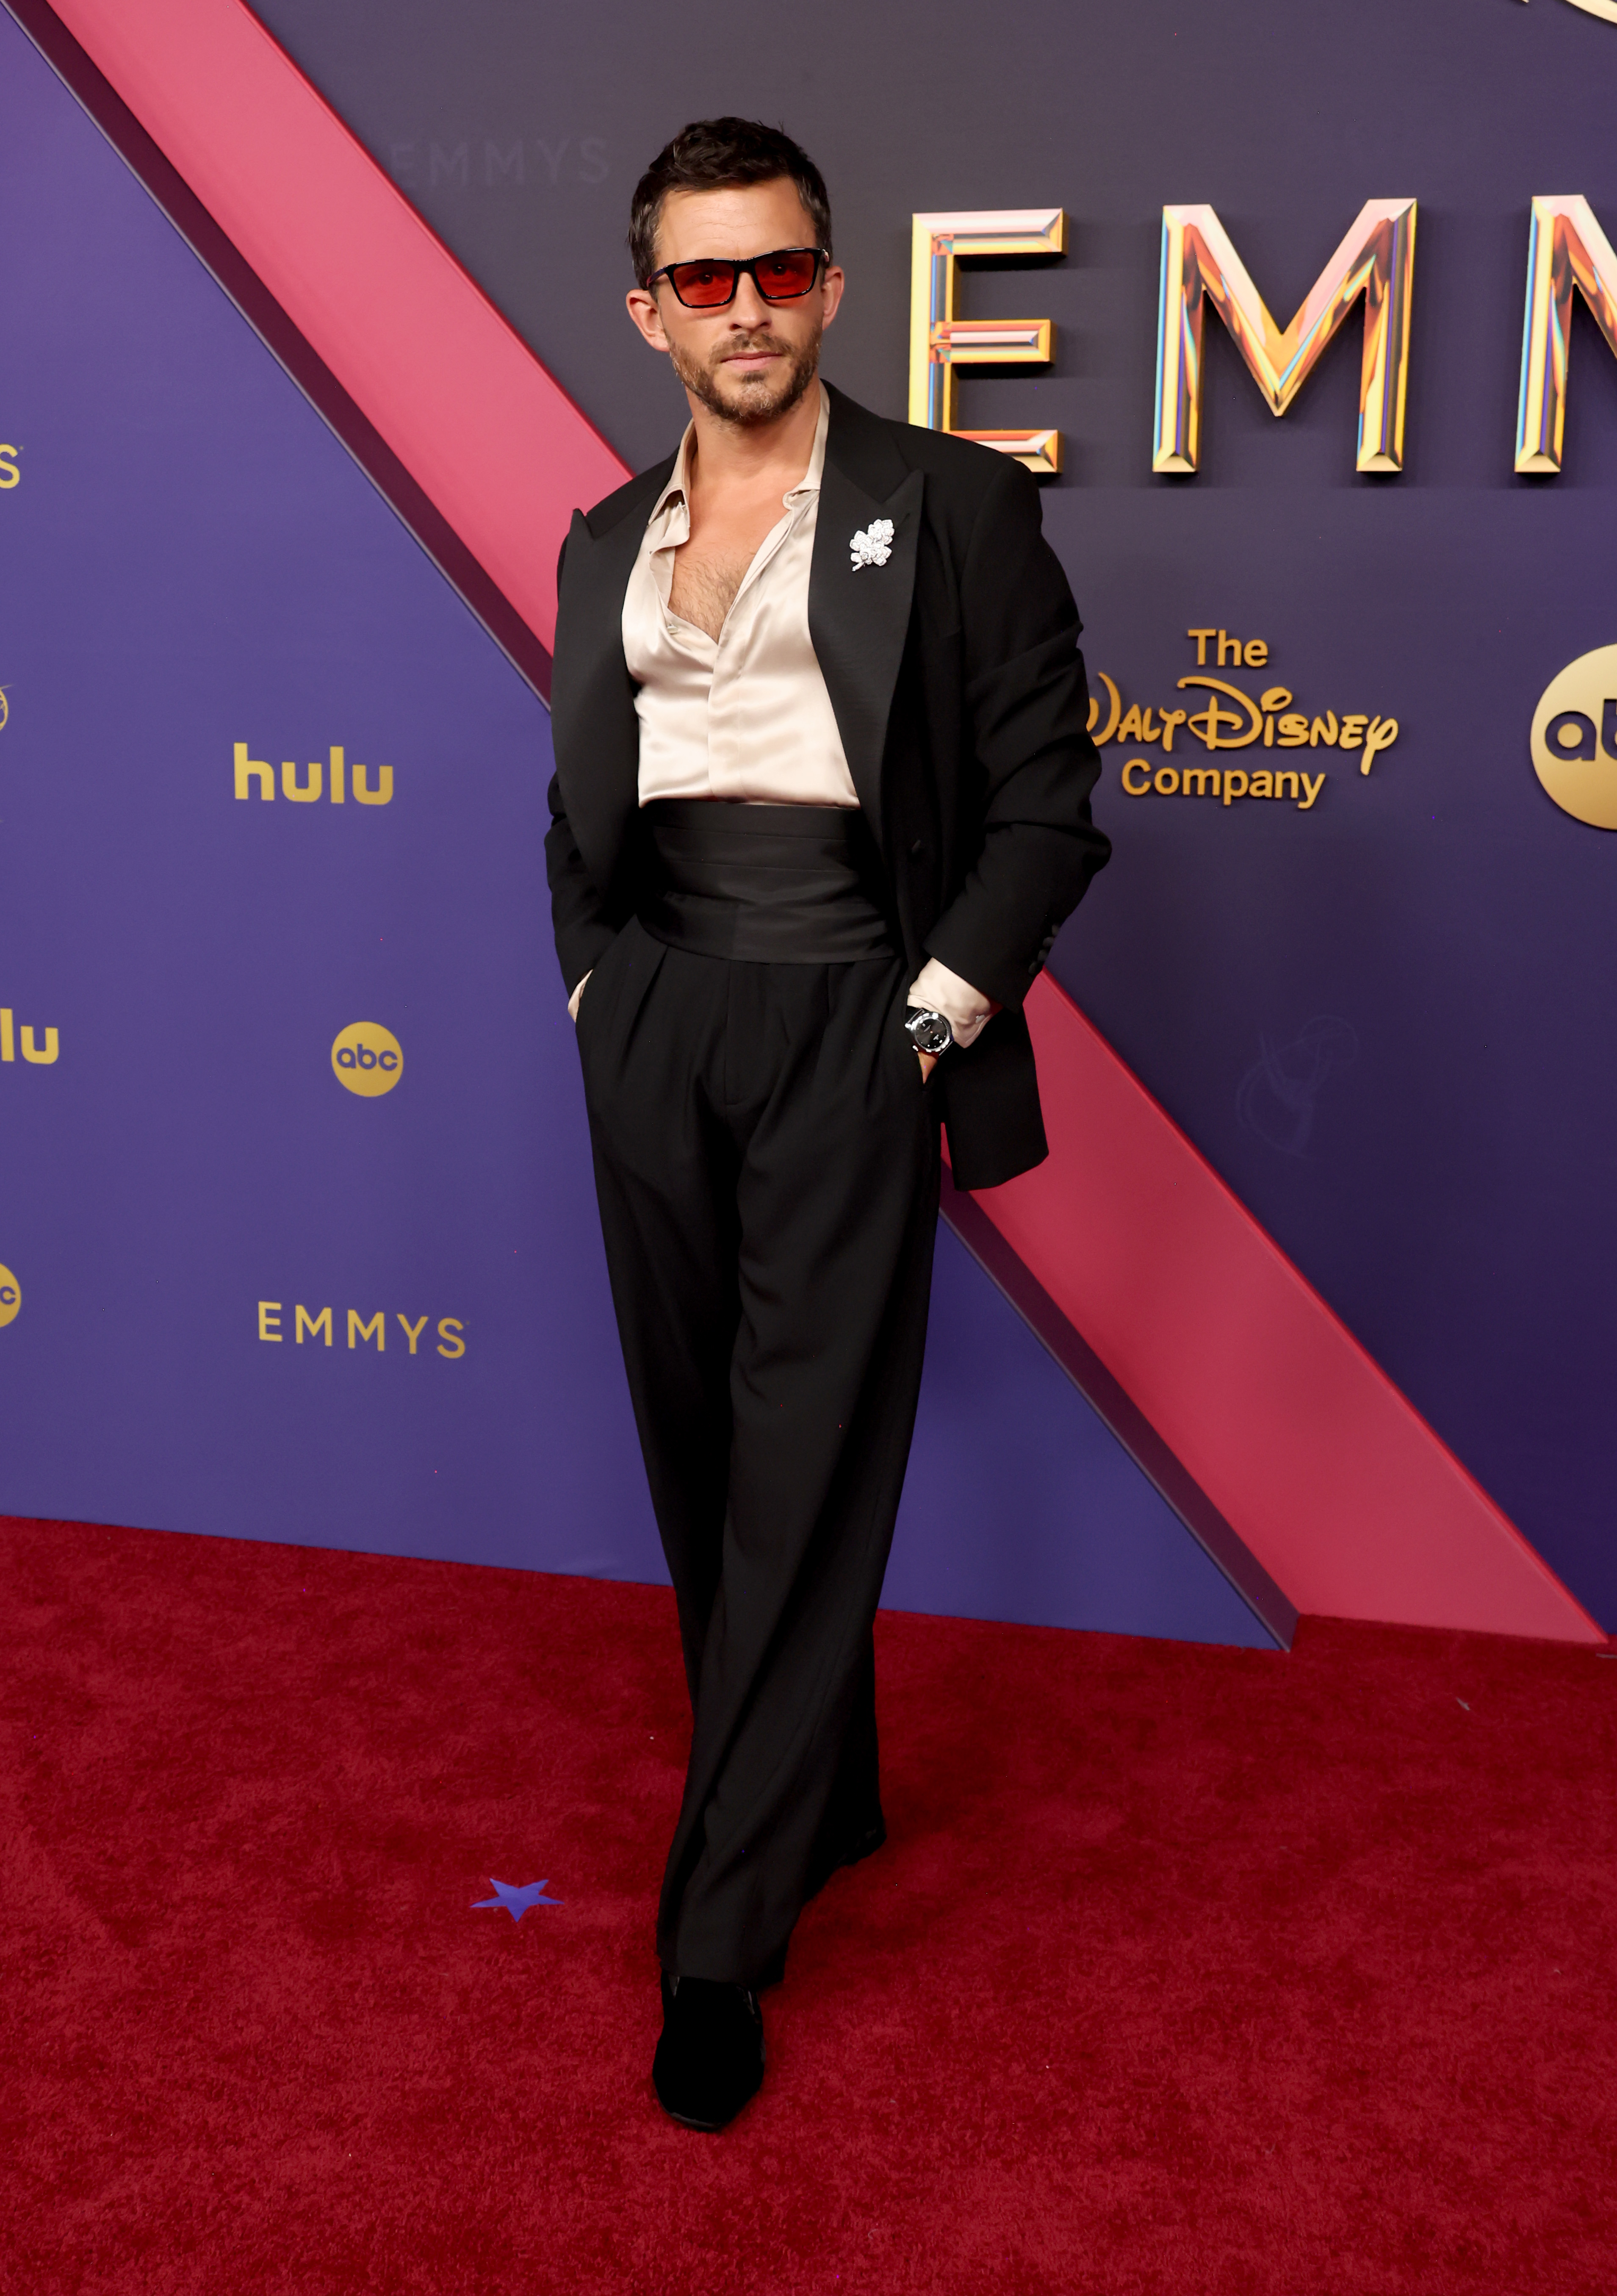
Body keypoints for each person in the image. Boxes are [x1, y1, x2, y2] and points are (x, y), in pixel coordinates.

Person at [546, 116, 1108, 2131]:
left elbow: (1047, 806)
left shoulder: (951, 503)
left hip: (855, 1015)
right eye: (704, 279)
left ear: (832, 285)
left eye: (777, 268)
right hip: (659, 1014)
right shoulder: (601, 536)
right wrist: (597, 986)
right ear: (650, 313)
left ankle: (717, 1931)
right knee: (701, 1447)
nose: (747, 307)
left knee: (806, 1460)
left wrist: (931, 1017)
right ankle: (827, 1791)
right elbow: (578, 814)